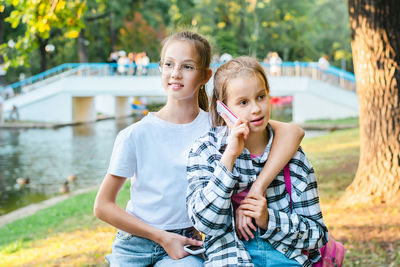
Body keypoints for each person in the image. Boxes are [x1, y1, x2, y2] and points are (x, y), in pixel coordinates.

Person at [94, 31, 304, 266]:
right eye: (169, 64)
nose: (175, 73)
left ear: (205, 75)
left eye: (187, 67)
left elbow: (292, 132)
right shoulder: (135, 134)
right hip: (135, 243)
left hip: (187, 242)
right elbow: (103, 206)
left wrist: (258, 188)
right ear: (160, 68)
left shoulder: (219, 127)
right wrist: (160, 237)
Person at [186, 56, 328, 266]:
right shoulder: (206, 150)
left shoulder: (293, 157)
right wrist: (229, 159)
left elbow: (318, 235)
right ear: (223, 108)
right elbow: (205, 223)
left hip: (285, 257)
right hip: (229, 258)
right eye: (243, 102)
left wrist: (268, 219)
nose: (256, 109)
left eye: (261, 97)